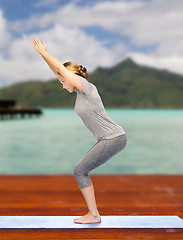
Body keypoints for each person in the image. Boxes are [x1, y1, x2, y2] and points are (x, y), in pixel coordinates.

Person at [33, 37, 127, 224]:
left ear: (70, 77)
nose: (62, 85)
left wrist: (44, 53)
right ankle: (93, 214)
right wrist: (43, 56)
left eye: (62, 81)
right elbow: (58, 71)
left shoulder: (87, 89)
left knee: (80, 170)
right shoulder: (79, 93)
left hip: (113, 137)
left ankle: (94, 214)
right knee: (81, 170)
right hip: (108, 139)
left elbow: (61, 71)